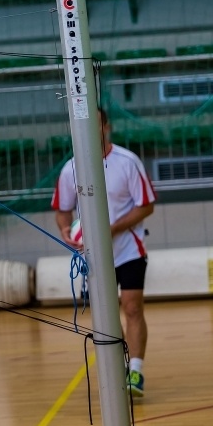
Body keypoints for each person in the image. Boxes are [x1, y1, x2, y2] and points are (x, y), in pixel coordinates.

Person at [52, 109, 155, 397]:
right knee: (107, 314)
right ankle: (120, 367)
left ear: (106, 127)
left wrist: (112, 228)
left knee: (132, 307)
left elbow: (146, 205)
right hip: (94, 256)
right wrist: (65, 231)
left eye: (94, 123)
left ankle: (136, 370)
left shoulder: (127, 162)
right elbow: (63, 210)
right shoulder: (71, 169)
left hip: (128, 248)